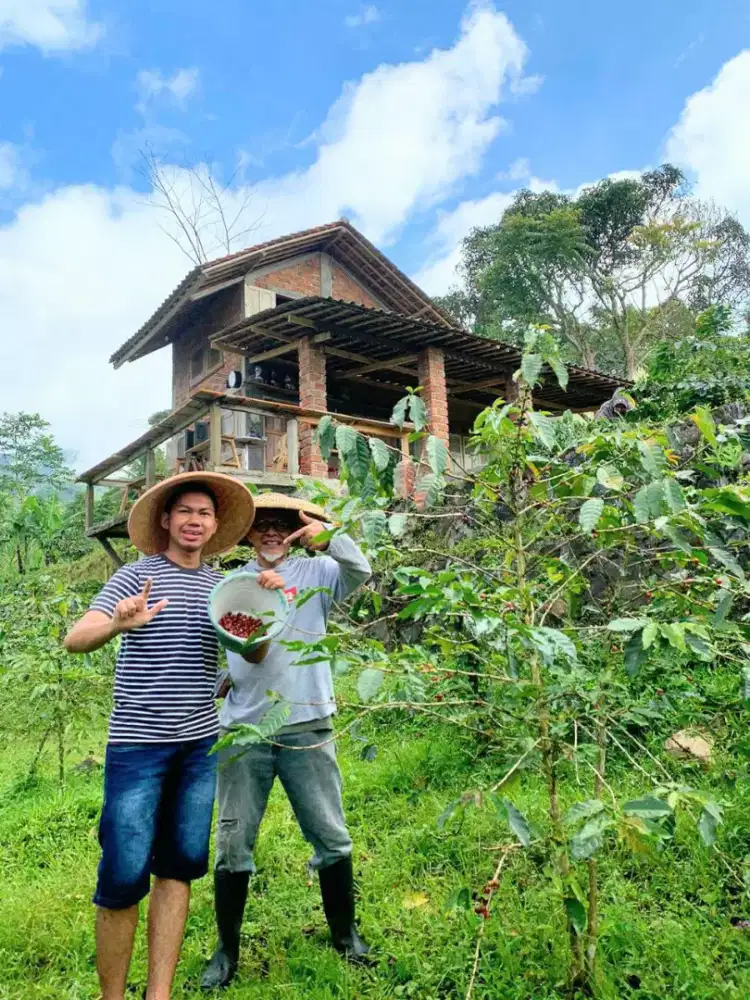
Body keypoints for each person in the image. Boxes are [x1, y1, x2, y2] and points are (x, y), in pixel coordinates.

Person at [64, 471, 255, 1000]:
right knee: (123, 877)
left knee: (177, 869)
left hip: (198, 749)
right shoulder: (134, 578)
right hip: (137, 748)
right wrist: (119, 624)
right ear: (166, 521)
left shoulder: (223, 587)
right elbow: (75, 638)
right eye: (185, 512)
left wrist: (265, 606)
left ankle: (159, 994)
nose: (195, 521)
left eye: (205, 514)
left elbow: (252, 651)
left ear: (215, 526)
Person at [201, 492, 372, 990]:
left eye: (282, 525)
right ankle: (226, 950)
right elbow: (241, 651)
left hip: (308, 722)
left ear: (294, 529)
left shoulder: (318, 573)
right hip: (244, 729)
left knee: (330, 833)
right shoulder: (233, 584)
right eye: (262, 526)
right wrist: (265, 605)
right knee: (233, 842)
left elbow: (359, 570)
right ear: (247, 534)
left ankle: (346, 936)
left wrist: (328, 534)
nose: (272, 533)